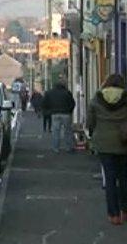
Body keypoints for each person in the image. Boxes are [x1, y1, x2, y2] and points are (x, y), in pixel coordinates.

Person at [85, 74, 127, 225]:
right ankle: (124, 211)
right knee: (124, 178)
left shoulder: (96, 100)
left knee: (110, 179)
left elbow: (89, 122)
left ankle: (113, 215)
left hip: (104, 144)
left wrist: (91, 134)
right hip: (123, 143)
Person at [42, 80, 76, 153]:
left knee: (56, 132)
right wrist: (70, 111)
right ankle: (69, 147)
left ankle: (56, 148)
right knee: (68, 131)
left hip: (55, 114)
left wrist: (49, 111)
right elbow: (72, 103)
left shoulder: (49, 93)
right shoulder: (67, 92)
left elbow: (44, 103)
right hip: (66, 114)